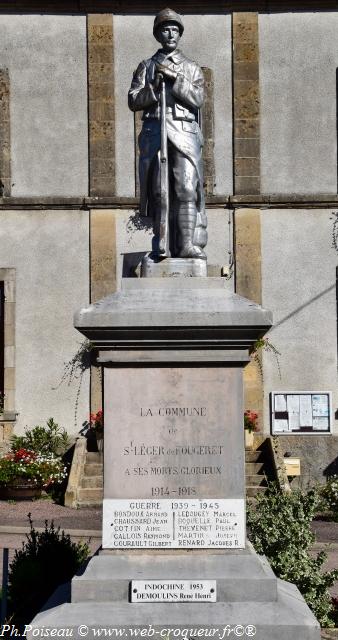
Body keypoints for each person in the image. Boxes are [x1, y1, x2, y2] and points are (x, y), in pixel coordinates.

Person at [128, 8, 207, 260]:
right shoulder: (146, 66)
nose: (170, 33)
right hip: (155, 132)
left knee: (185, 189)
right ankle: (160, 241)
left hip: (184, 133)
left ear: (180, 34)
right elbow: (133, 100)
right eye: (165, 29)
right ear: (158, 34)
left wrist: (174, 78)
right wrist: (153, 87)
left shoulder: (192, 68)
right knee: (160, 191)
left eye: (174, 29)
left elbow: (198, 99)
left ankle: (186, 245)